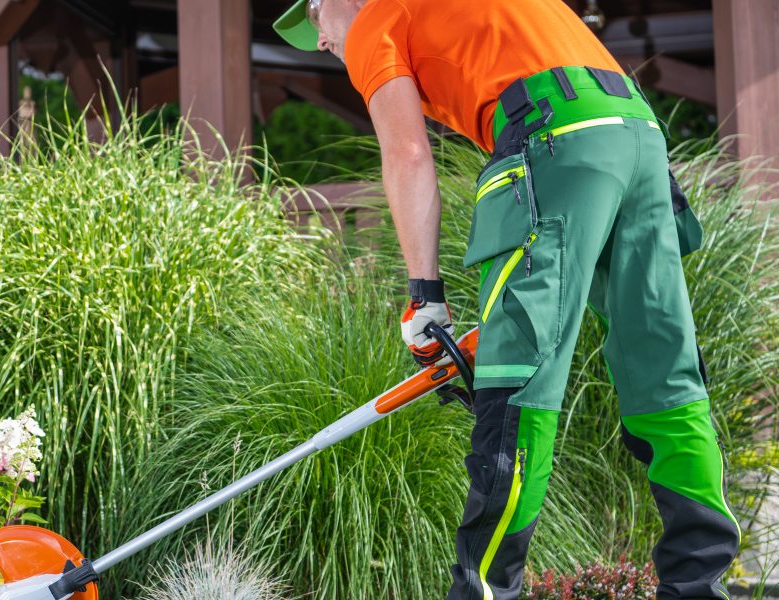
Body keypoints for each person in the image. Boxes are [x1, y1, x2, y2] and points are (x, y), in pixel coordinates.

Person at [273, 0, 739, 598]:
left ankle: (484, 591)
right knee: (666, 379)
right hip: (640, 136)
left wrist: (425, 297)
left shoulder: (373, 18)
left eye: (314, 22)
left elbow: (408, 155)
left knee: (518, 383)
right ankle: (699, 588)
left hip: (555, 137)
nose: (319, 42)